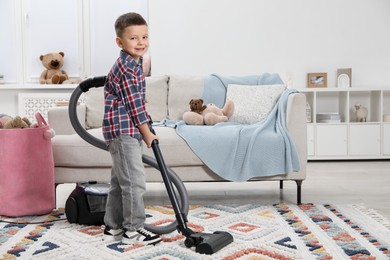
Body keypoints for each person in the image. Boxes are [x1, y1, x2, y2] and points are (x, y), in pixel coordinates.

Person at [102, 12, 161, 246]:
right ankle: (133, 230)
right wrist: (147, 133)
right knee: (134, 182)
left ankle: (113, 227)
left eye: (145, 37)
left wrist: (146, 123)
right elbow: (133, 104)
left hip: (126, 130)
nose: (141, 42)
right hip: (124, 131)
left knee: (119, 181)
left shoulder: (134, 64)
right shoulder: (126, 68)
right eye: (134, 38)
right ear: (120, 42)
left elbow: (136, 100)